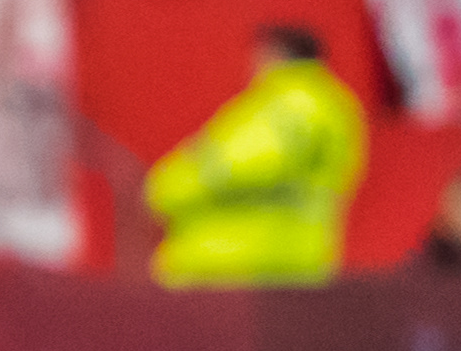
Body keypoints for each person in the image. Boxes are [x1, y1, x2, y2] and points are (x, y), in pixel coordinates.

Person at [141, 22, 368, 289]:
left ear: (272, 54)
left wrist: (167, 188)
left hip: (237, 258)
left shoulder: (290, 102)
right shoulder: (334, 106)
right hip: (292, 256)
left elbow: (240, 161)